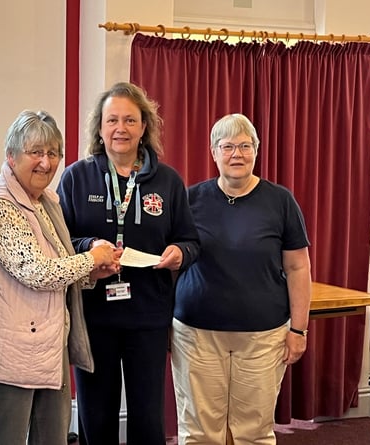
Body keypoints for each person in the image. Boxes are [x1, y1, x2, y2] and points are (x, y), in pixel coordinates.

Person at [56, 82, 200, 445]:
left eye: (130, 120)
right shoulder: (76, 177)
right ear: (100, 129)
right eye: (112, 120)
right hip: (93, 315)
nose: (121, 128)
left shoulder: (168, 181)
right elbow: (57, 240)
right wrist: (90, 247)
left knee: (148, 415)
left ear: (144, 127)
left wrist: (180, 254)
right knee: (96, 413)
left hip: (148, 316)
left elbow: (190, 240)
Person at [0, 110, 121, 445]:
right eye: (35, 152)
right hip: (11, 351)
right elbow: (35, 272)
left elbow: (58, 270)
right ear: (11, 156)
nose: (46, 162)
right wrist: (90, 258)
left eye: (53, 153)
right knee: (5, 439)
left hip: (48, 346)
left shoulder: (44, 201)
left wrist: (92, 271)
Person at [171, 113, 312, 445]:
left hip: (262, 338)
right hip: (196, 335)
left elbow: (298, 268)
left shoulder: (280, 201)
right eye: (228, 146)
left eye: (245, 146)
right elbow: (172, 265)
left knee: (254, 431)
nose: (237, 154)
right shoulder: (191, 200)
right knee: (198, 430)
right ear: (213, 153)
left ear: (257, 150)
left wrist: (299, 329)